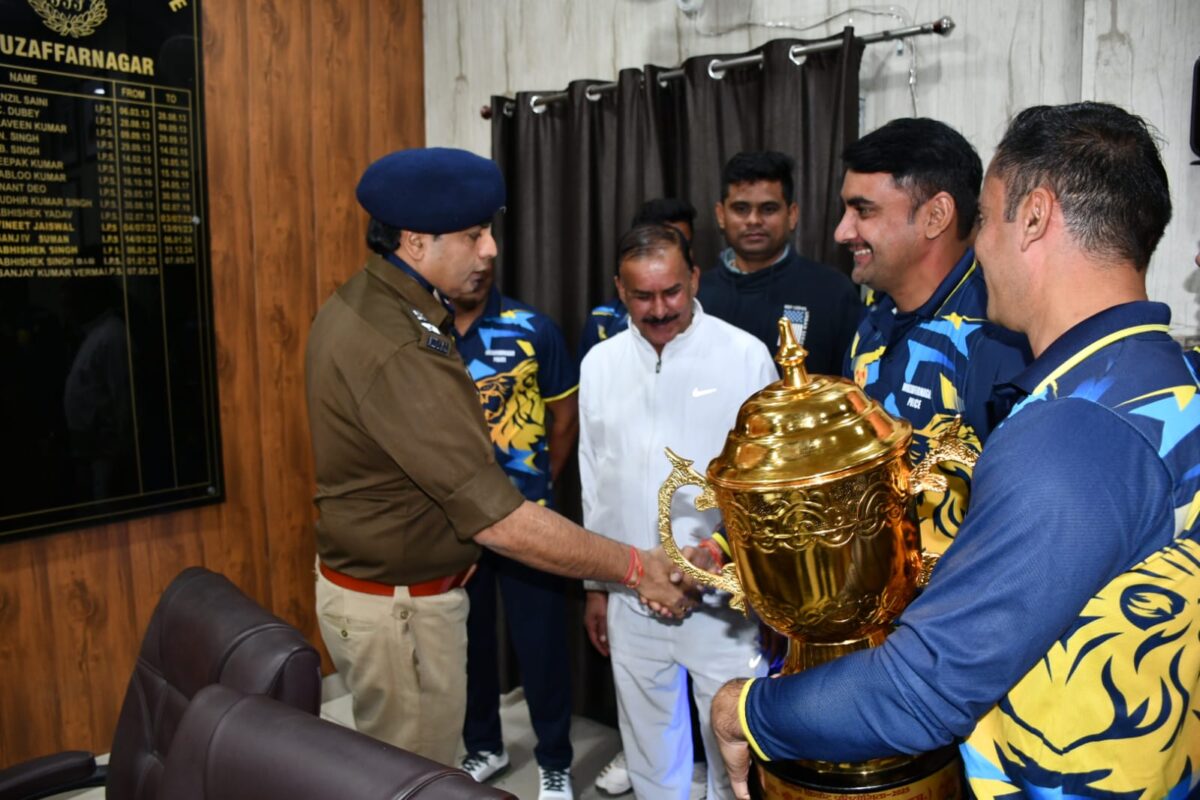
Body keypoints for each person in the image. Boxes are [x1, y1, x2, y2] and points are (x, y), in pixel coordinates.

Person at [711, 103, 1200, 800]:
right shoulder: (1168, 377)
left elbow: (925, 687)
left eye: (987, 218)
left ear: (1034, 218)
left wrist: (748, 710)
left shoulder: (1074, 430)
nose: (978, 247)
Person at [305, 148, 690, 772]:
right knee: (415, 778)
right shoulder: (400, 344)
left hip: (395, 593)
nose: (490, 249)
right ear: (415, 241)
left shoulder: (376, 302)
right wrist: (633, 566)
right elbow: (497, 518)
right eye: (472, 234)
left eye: (489, 230)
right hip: (400, 611)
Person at [580, 223, 777, 799]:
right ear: (620, 289)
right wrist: (597, 585)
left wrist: (722, 565)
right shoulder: (599, 364)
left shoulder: (745, 355)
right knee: (649, 753)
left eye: (671, 291)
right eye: (643, 296)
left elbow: (765, 485)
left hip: (723, 604)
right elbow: (594, 481)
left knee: (734, 757)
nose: (660, 309)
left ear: (694, 278)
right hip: (629, 594)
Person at [836, 118, 1031, 555]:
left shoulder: (998, 334)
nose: (842, 232)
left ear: (936, 216)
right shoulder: (872, 323)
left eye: (863, 211)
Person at [447, 266, 578, 799]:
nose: (475, 268)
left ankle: (555, 760)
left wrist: (539, 486)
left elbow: (563, 418)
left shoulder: (533, 328)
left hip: (528, 520)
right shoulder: (421, 331)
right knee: (467, 640)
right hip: (455, 523)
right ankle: (484, 745)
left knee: (541, 643)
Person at [698, 150, 861, 375]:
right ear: (720, 215)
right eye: (741, 209)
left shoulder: (833, 291)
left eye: (768, 209)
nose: (754, 220)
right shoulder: (696, 295)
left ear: (792, 215)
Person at [578, 198, 697, 361]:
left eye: (686, 246)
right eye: (643, 296)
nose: (660, 312)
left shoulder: (715, 322)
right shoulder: (604, 323)